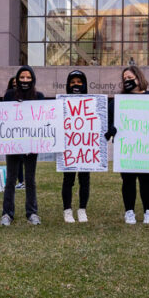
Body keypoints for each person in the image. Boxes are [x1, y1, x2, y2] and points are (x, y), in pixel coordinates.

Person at [107, 65, 149, 225]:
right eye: (125, 79)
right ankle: (129, 212)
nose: (127, 81)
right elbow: (108, 123)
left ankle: (148, 212)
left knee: (146, 180)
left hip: (146, 148)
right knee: (128, 180)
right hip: (126, 148)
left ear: (139, 78)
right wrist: (111, 130)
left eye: (130, 78)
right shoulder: (118, 102)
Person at [0, 65, 45, 226]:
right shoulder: (9, 95)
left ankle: (32, 213)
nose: (25, 80)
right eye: (22, 77)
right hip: (12, 143)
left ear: (32, 79)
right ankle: (7, 213)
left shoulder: (39, 96)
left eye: (28, 77)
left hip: (32, 145)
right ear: (17, 79)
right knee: (11, 179)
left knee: (30, 179)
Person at [60, 69, 92, 223]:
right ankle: (67, 210)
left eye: (79, 82)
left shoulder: (92, 103)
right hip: (69, 147)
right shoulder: (61, 103)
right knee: (68, 180)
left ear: (84, 84)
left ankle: (82, 210)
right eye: (72, 82)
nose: (76, 85)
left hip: (86, 147)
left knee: (85, 179)